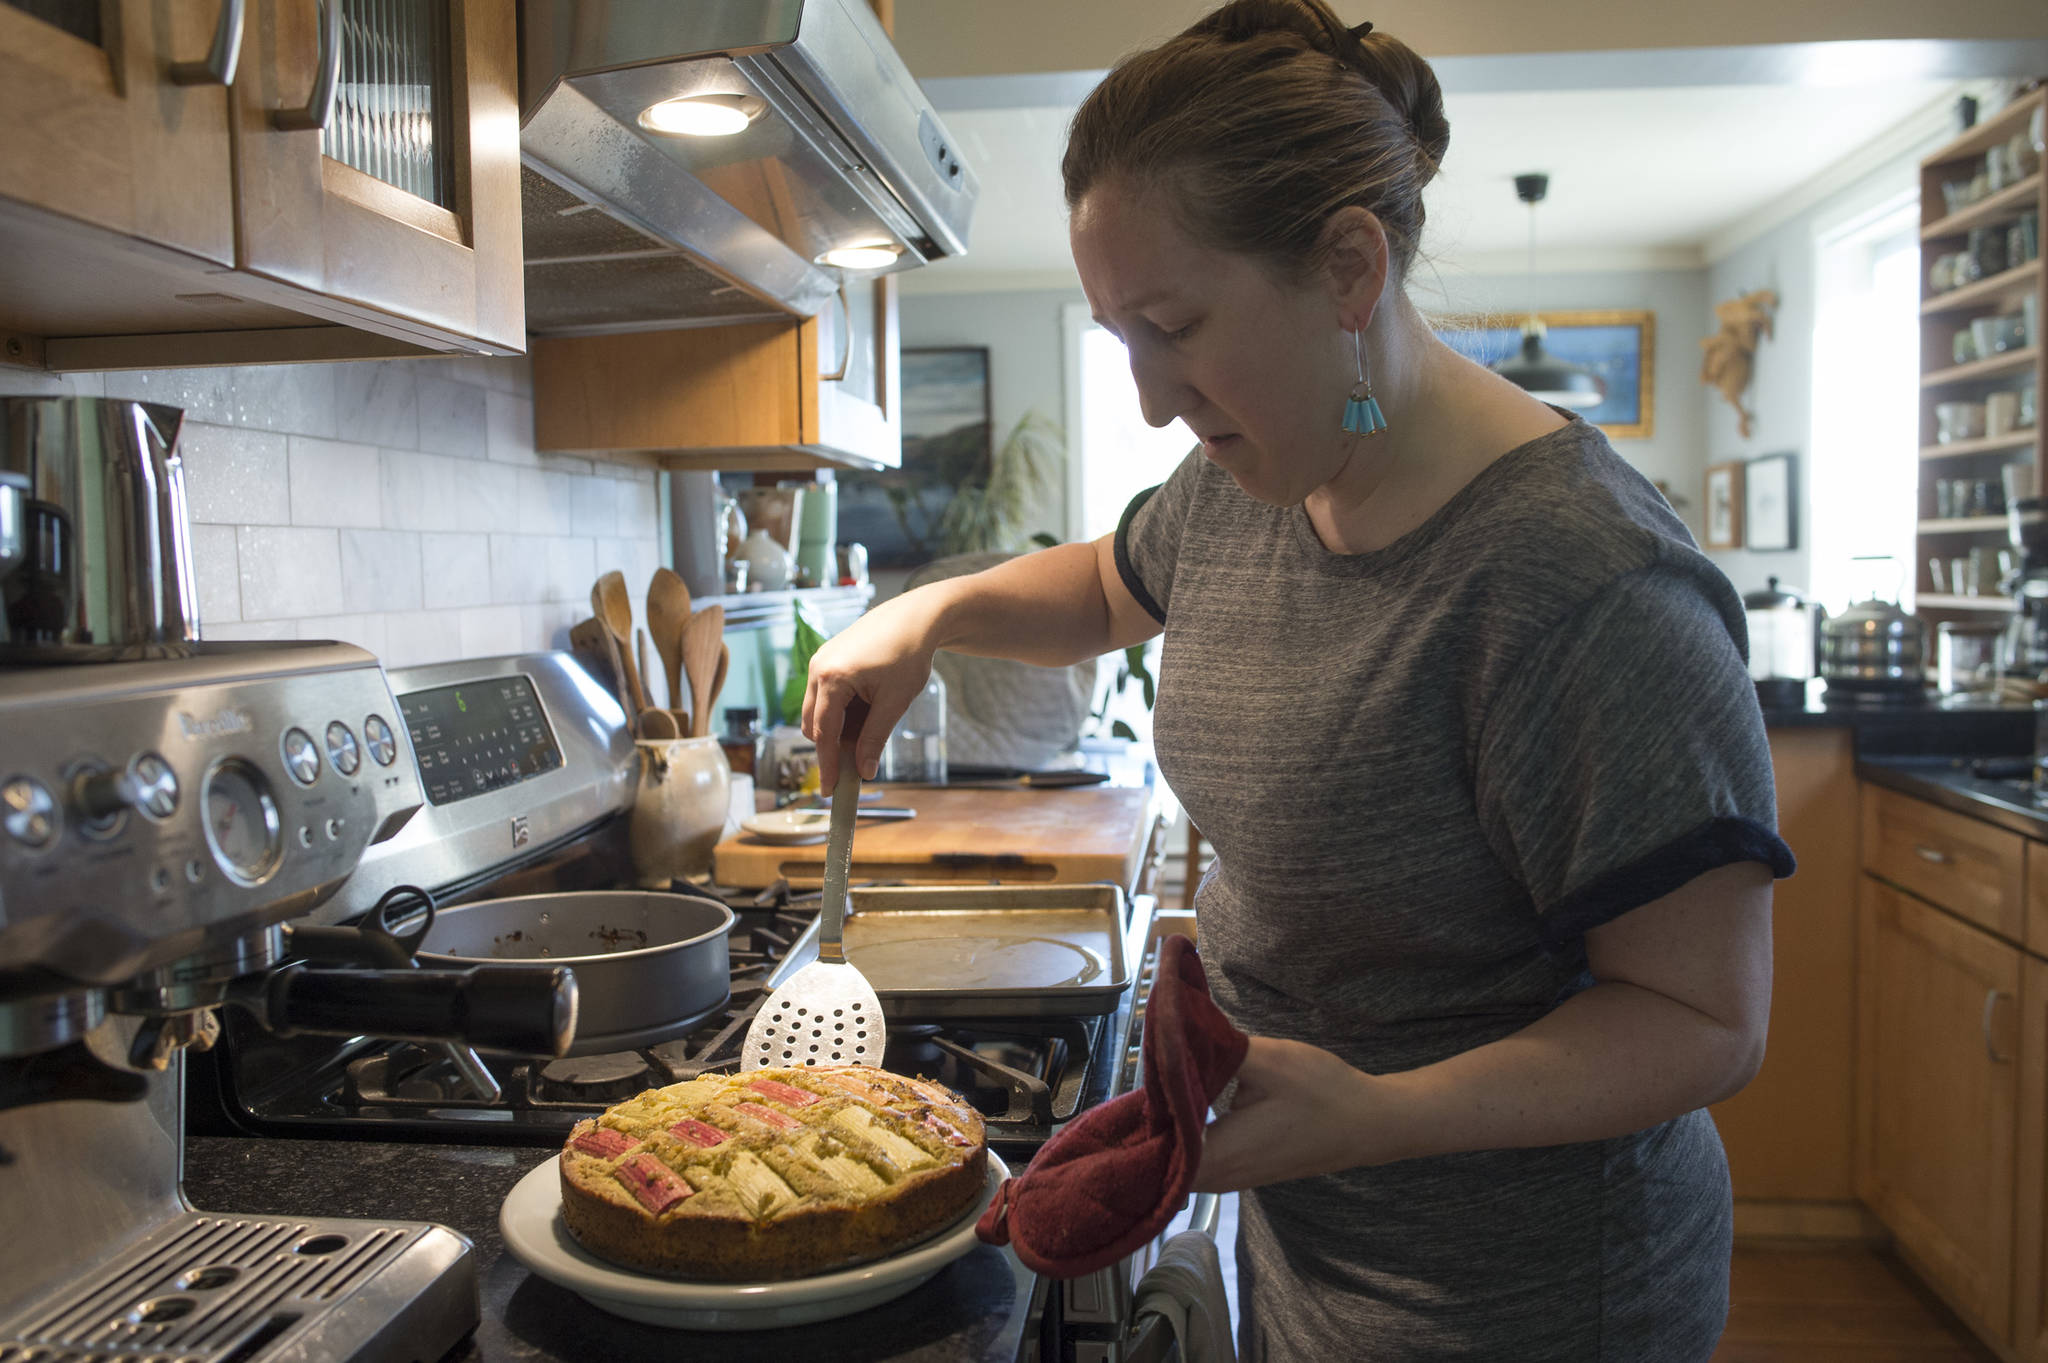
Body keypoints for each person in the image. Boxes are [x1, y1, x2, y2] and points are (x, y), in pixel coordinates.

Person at [801, 1, 1795, 1356]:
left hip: (1527, 1298)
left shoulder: (1586, 587)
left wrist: (1379, 1115)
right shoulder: (1252, 473)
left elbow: (1702, 1020)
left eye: (1175, 326)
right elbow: (1107, 587)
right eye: (1122, 339)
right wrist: (925, 616)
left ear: (1348, 269)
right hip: (1306, 1235)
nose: (1152, 398)